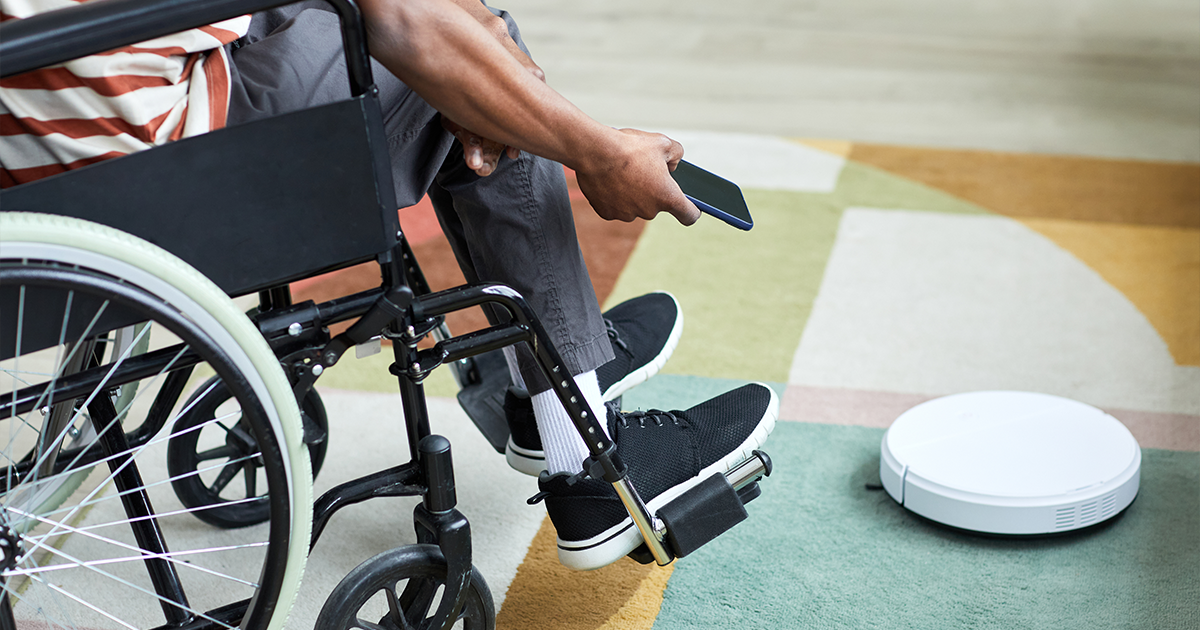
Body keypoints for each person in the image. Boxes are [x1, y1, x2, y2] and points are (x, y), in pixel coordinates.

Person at [0, 0, 778, 571]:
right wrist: (595, 149)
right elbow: (404, 20)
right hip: (159, 183)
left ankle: (557, 383)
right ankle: (583, 443)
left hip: (37, 168)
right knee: (469, 60)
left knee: (464, 40)